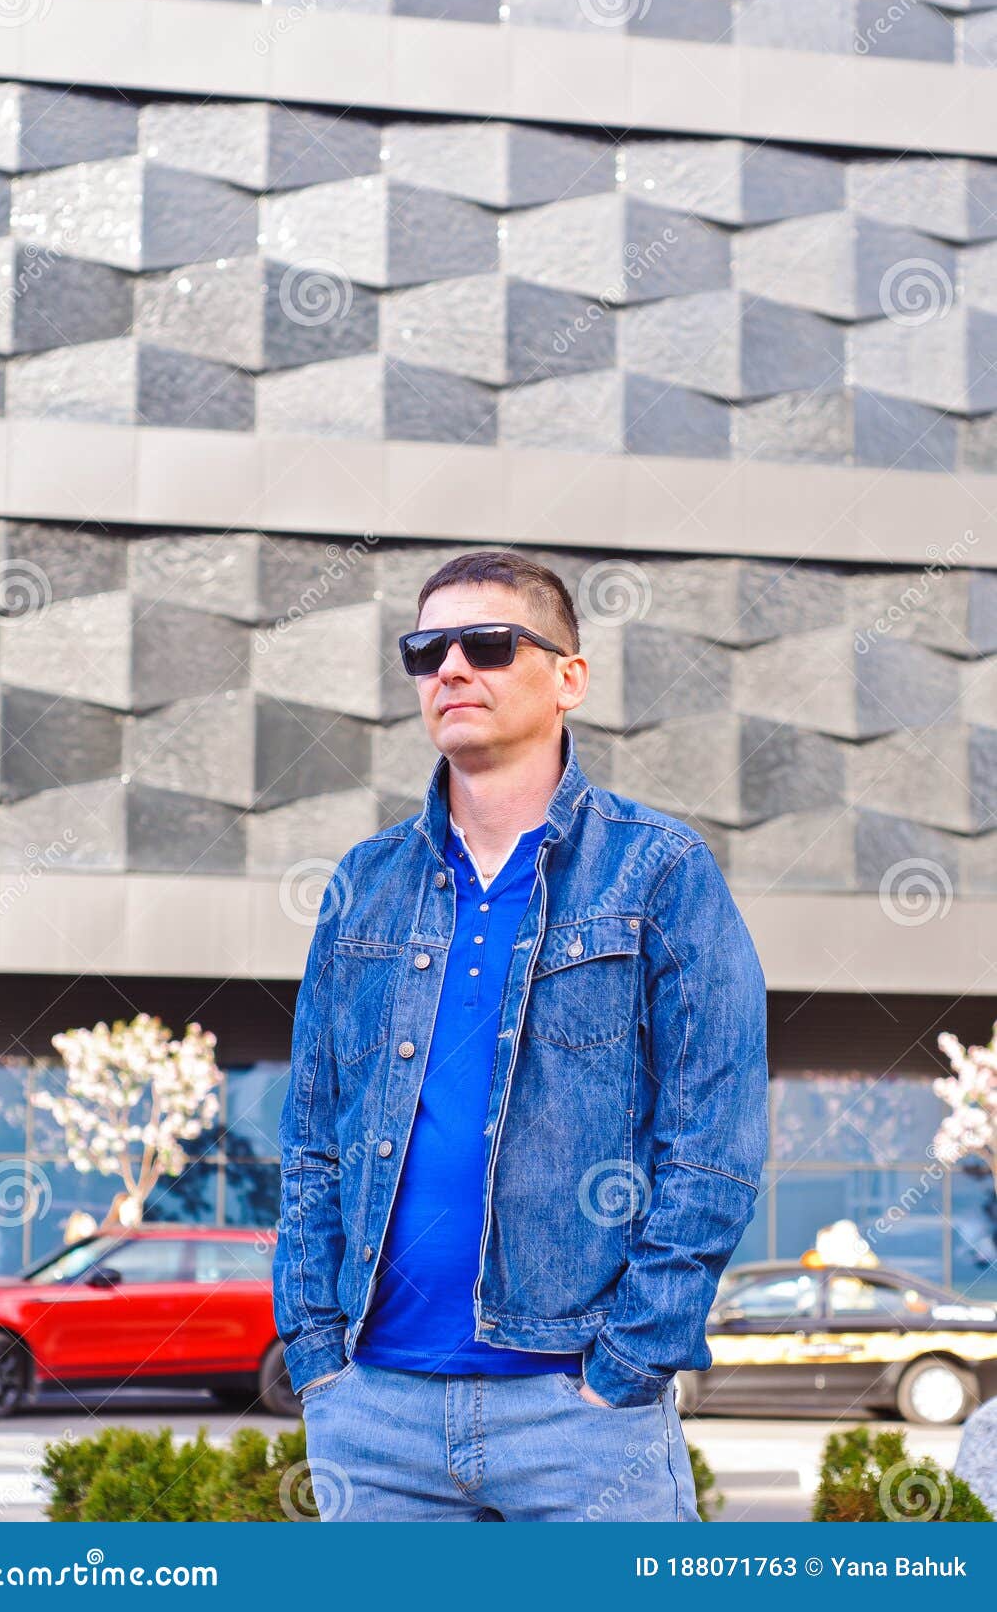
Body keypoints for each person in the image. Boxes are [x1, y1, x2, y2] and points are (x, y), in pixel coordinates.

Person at [273, 549, 768, 1522]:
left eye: (488, 643)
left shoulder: (658, 872)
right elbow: (310, 1144)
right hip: (374, 1418)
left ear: (568, 677)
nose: (450, 668)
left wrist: (630, 1359)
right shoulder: (362, 885)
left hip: (581, 1416)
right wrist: (319, 1356)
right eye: (426, 650)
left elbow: (713, 1145)